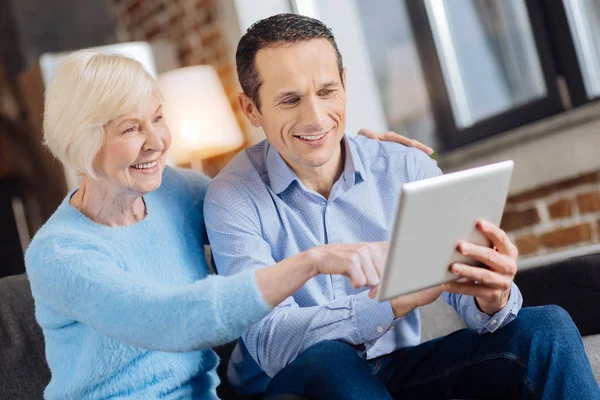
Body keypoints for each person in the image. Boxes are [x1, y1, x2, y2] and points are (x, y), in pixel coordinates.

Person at [204, 13, 600, 400]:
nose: (316, 117)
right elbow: (272, 343)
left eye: (327, 91)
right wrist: (389, 302)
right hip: (292, 383)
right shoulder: (232, 198)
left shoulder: (403, 165)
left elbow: (463, 288)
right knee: (328, 359)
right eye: (290, 100)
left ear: (345, 82)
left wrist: (489, 296)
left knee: (546, 327)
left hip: (394, 367)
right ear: (251, 109)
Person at [24, 49, 428, 399]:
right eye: (130, 129)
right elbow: (174, 321)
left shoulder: (173, 193)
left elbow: (264, 194)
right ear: (80, 142)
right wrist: (313, 261)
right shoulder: (60, 253)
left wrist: (354, 152)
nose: (157, 141)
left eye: (158, 118)